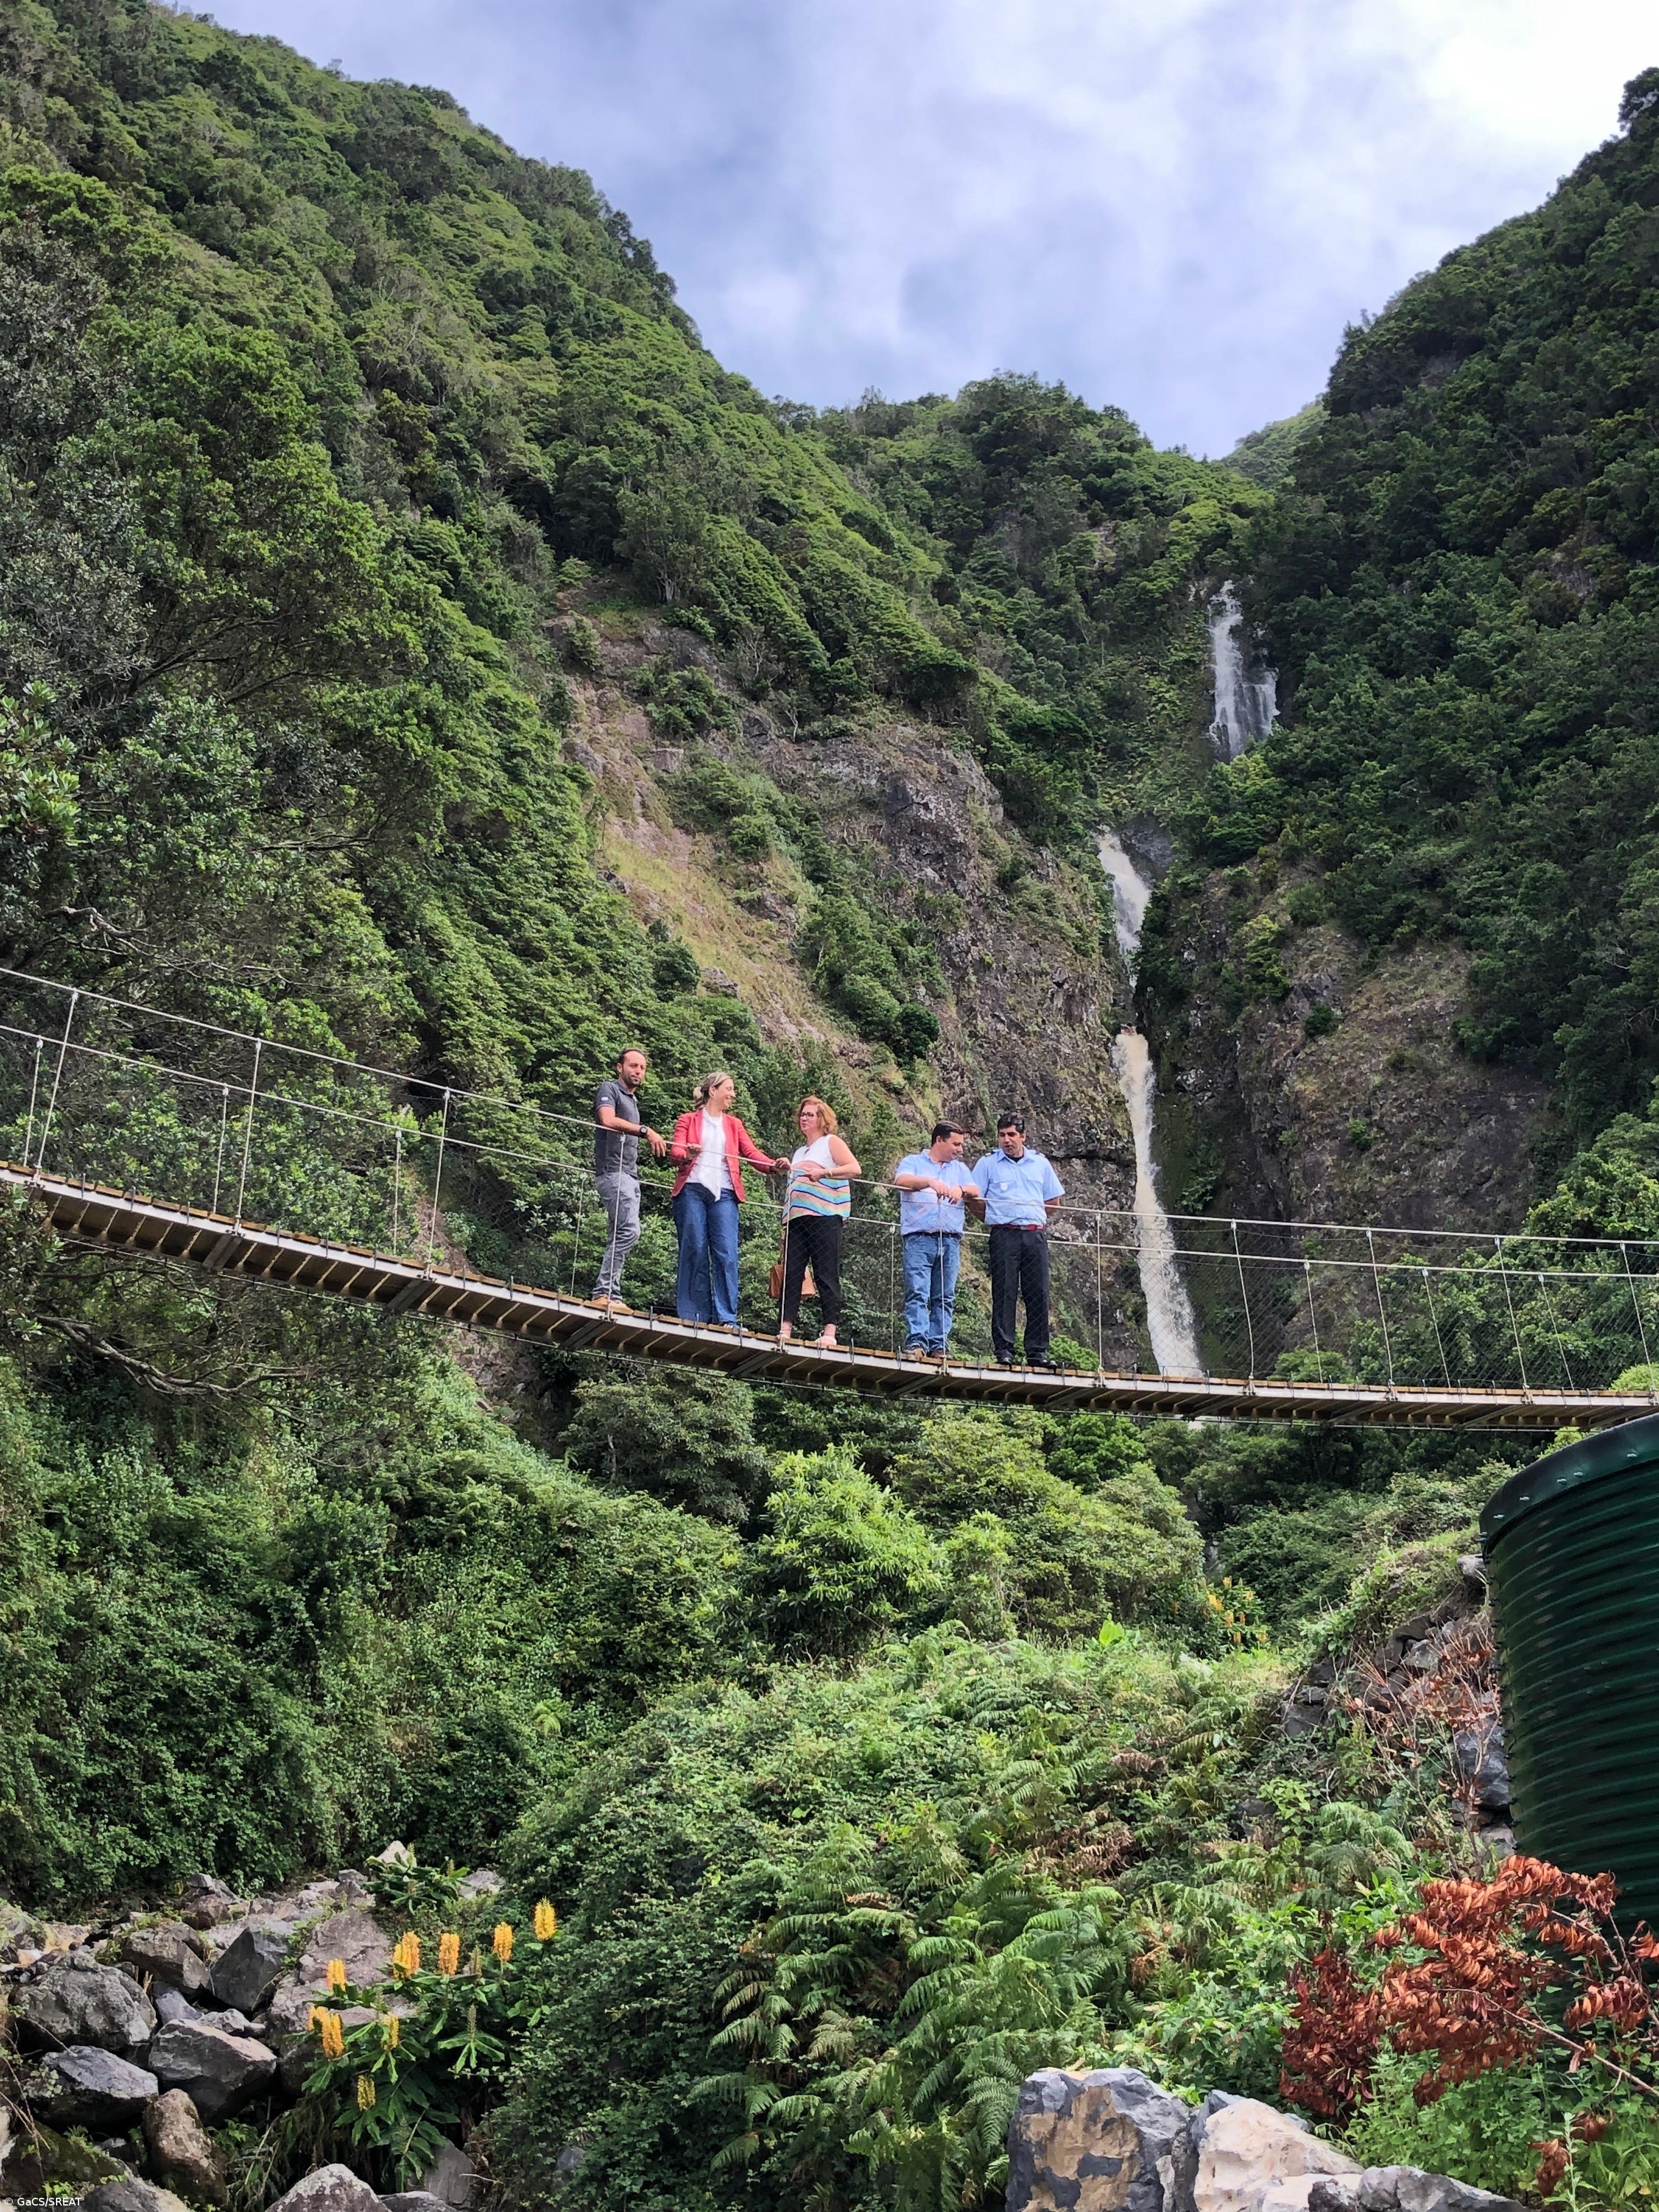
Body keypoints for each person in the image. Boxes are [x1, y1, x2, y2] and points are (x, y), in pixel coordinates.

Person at [667, 1072, 778, 1326]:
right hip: (692, 1189)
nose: (733, 1094)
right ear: (713, 1091)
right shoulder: (688, 1120)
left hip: (725, 1193)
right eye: (729, 1089)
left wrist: (773, 1166)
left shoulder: (734, 1124)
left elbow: (750, 1153)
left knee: (726, 1253)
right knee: (694, 1249)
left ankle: (727, 1318)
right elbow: (675, 1153)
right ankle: (693, 1317)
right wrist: (688, 1153)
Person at [970, 1112, 1064, 1367]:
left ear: (1023, 1136)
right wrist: (994, 1217)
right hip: (1004, 1234)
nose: (1006, 1140)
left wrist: (1032, 1217)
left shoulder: (1040, 1163)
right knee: (1004, 1291)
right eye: (1002, 1135)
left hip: (1034, 1234)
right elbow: (973, 1198)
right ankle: (1004, 1350)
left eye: (1011, 1135)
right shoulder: (988, 1164)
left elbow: (1054, 1201)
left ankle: (1037, 1352)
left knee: (1039, 1291)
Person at [779, 1097, 860, 1348]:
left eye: (811, 1115)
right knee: (792, 1272)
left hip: (825, 1217)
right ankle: (785, 1328)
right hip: (798, 1219)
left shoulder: (830, 1142)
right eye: (803, 1114)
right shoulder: (800, 1152)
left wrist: (824, 1173)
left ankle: (830, 1330)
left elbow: (854, 1168)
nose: (805, 1118)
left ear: (822, 1119)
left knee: (825, 1273)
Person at [893, 1122, 975, 1358]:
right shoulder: (913, 1162)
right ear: (940, 1140)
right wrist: (929, 1182)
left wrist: (961, 1189)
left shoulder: (959, 1169)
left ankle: (939, 1345)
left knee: (945, 1296)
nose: (960, 1149)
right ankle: (917, 1342)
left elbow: (975, 1189)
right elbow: (902, 1181)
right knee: (918, 1292)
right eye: (956, 1144)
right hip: (919, 1238)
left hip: (950, 1240)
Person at [591, 1047, 667, 1305]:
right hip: (613, 1173)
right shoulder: (610, 1090)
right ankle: (605, 1291)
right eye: (633, 1066)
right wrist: (645, 1131)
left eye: (643, 1068)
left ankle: (609, 1293)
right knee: (630, 1231)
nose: (638, 1072)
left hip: (629, 1175)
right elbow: (607, 1120)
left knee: (619, 1233)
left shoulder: (632, 1100)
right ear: (620, 1067)